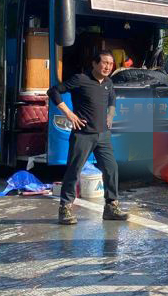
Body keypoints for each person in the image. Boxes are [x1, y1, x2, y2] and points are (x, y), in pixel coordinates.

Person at [50, 50, 129, 225]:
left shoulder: (108, 82)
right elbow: (54, 91)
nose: (108, 67)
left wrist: (110, 116)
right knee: (74, 170)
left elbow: (112, 99)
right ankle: (65, 208)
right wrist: (69, 114)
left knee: (111, 168)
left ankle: (111, 207)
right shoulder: (80, 79)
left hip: (103, 136)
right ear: (94, 63)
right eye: (105, 63)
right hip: (83, 134)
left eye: (111, 64)